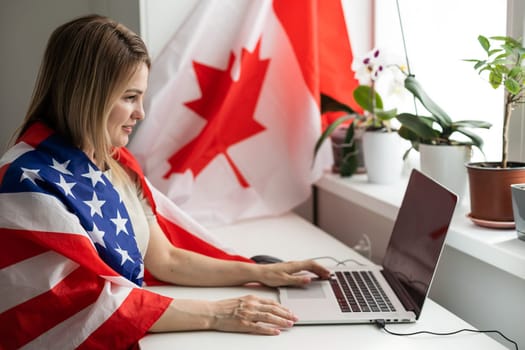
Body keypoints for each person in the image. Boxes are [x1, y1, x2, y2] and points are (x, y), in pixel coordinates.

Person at [0, 14, 330, 349]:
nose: (141, 113)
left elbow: (166, 259)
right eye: (129, 97)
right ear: (87, 96)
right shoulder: (23, 184)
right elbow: (74, 305)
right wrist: (217, 314)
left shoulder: (116, 163)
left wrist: (258, 273)